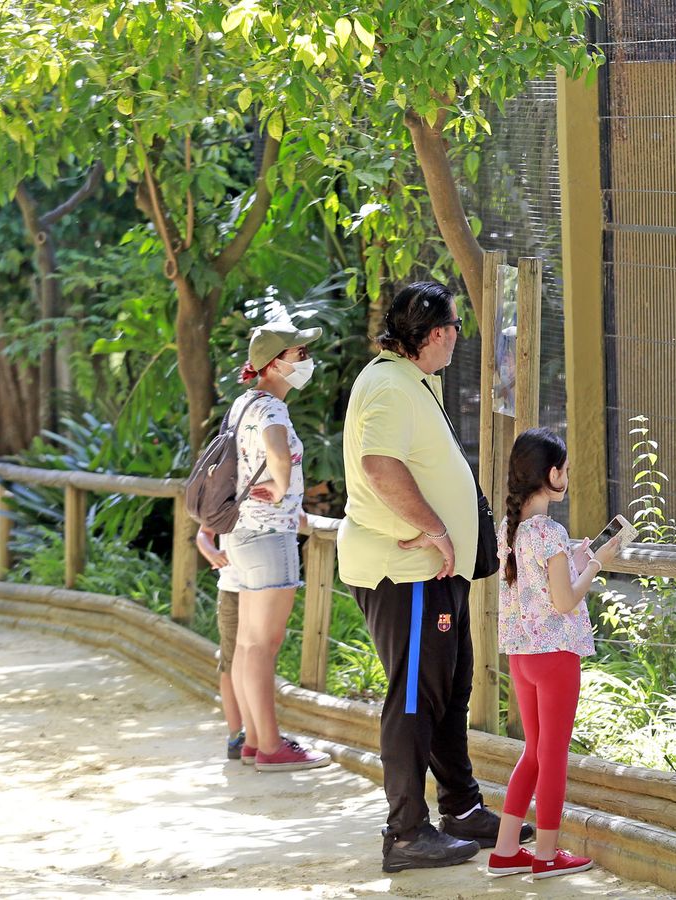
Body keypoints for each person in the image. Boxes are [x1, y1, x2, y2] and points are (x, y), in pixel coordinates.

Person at [339, 281, 529, 873]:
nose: (454, 344)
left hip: (432, 572)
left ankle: (462, 808)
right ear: (440, 333)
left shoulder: (409, 381)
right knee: (417, 699)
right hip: (409, 571)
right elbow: (378, 465)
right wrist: (435, 530)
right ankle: (405, 832)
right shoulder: (392, 386)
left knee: (448, 689)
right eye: (452, 333)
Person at [485, 428, 618, 881]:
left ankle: (506, 851)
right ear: (552, 474)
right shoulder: (550, 531)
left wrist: (575, 560)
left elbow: (542, 589)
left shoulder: (511, 528)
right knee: (554, 756)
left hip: (522, 657)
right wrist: (597, 564)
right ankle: (545, 855)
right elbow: (564, 602)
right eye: (565, 469)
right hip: (556, 656)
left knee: (534, 752)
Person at [222, 319, 330, 773]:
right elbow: (278, 452)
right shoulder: (271, 410)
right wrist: (285, 488)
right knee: (264, 646)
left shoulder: (242, 404)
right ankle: (269, 745)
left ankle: (253, 740)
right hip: (270, 534)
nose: (305, 360)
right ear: (273, 364)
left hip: (243, 533)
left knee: (249, 644)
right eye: (298, 354)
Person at [195, 527, 246, 761]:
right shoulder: (224, 492)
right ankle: (236, 734)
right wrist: (212, 553)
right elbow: (204, 532)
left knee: (259, 660)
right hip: (232, 590)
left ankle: (257, 730)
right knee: (230, 662)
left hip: (266, 587)